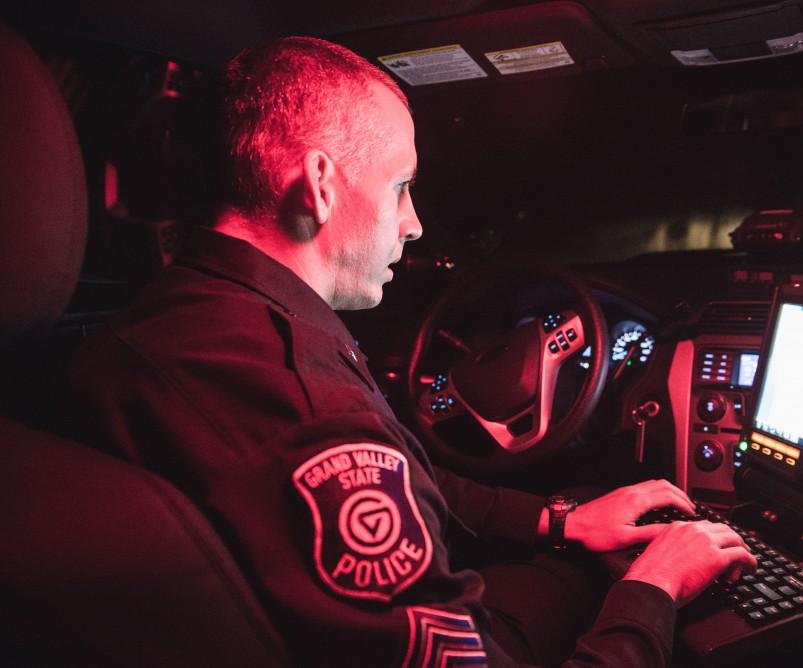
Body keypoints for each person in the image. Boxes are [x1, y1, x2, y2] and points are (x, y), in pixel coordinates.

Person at [66, 36, 756, 666]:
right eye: (400, 188)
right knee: (603, 580)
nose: (414, 224)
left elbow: (407, 475)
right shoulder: (310, 410)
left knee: (579, 516)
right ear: (320, 184)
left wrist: (560, 519)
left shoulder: (179, 313)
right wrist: (654, 592)